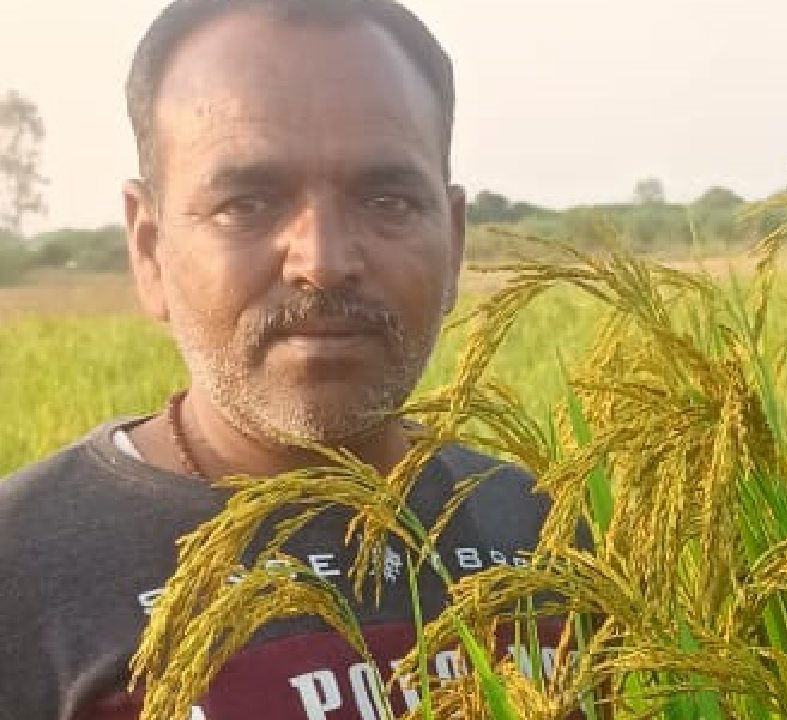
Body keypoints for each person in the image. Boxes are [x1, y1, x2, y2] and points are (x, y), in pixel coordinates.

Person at [0, 2, 561, 718]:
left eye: (386, 199)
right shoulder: (21, 574)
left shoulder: (550, 528)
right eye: (247, 203)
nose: (323, 262)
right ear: (149, 248)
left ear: (452, 242)